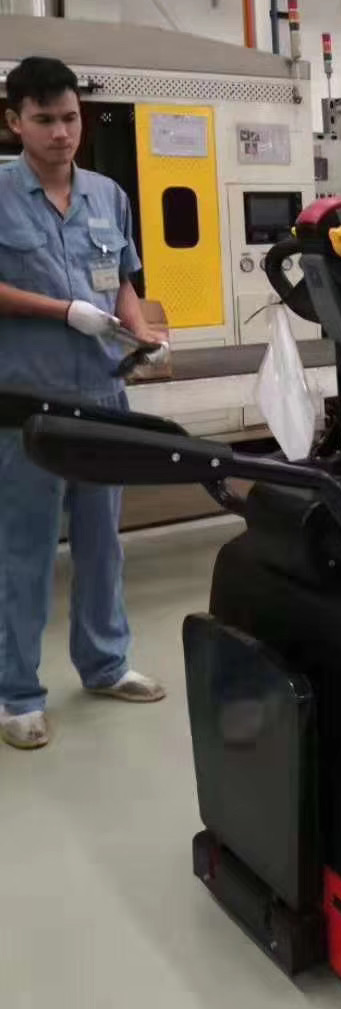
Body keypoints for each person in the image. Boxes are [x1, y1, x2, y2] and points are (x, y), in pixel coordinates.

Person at [0, 56, 167, 750]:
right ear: (14, 122)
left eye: (69, 118)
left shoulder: (107, 194)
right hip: (25, 402)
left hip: (103, 394)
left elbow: (123, 279)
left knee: (103, 542)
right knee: (24, 549)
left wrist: (141, 331)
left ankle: (105, 664)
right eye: (44, 120)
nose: (61, 133)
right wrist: (61, 310)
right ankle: (16, 693)